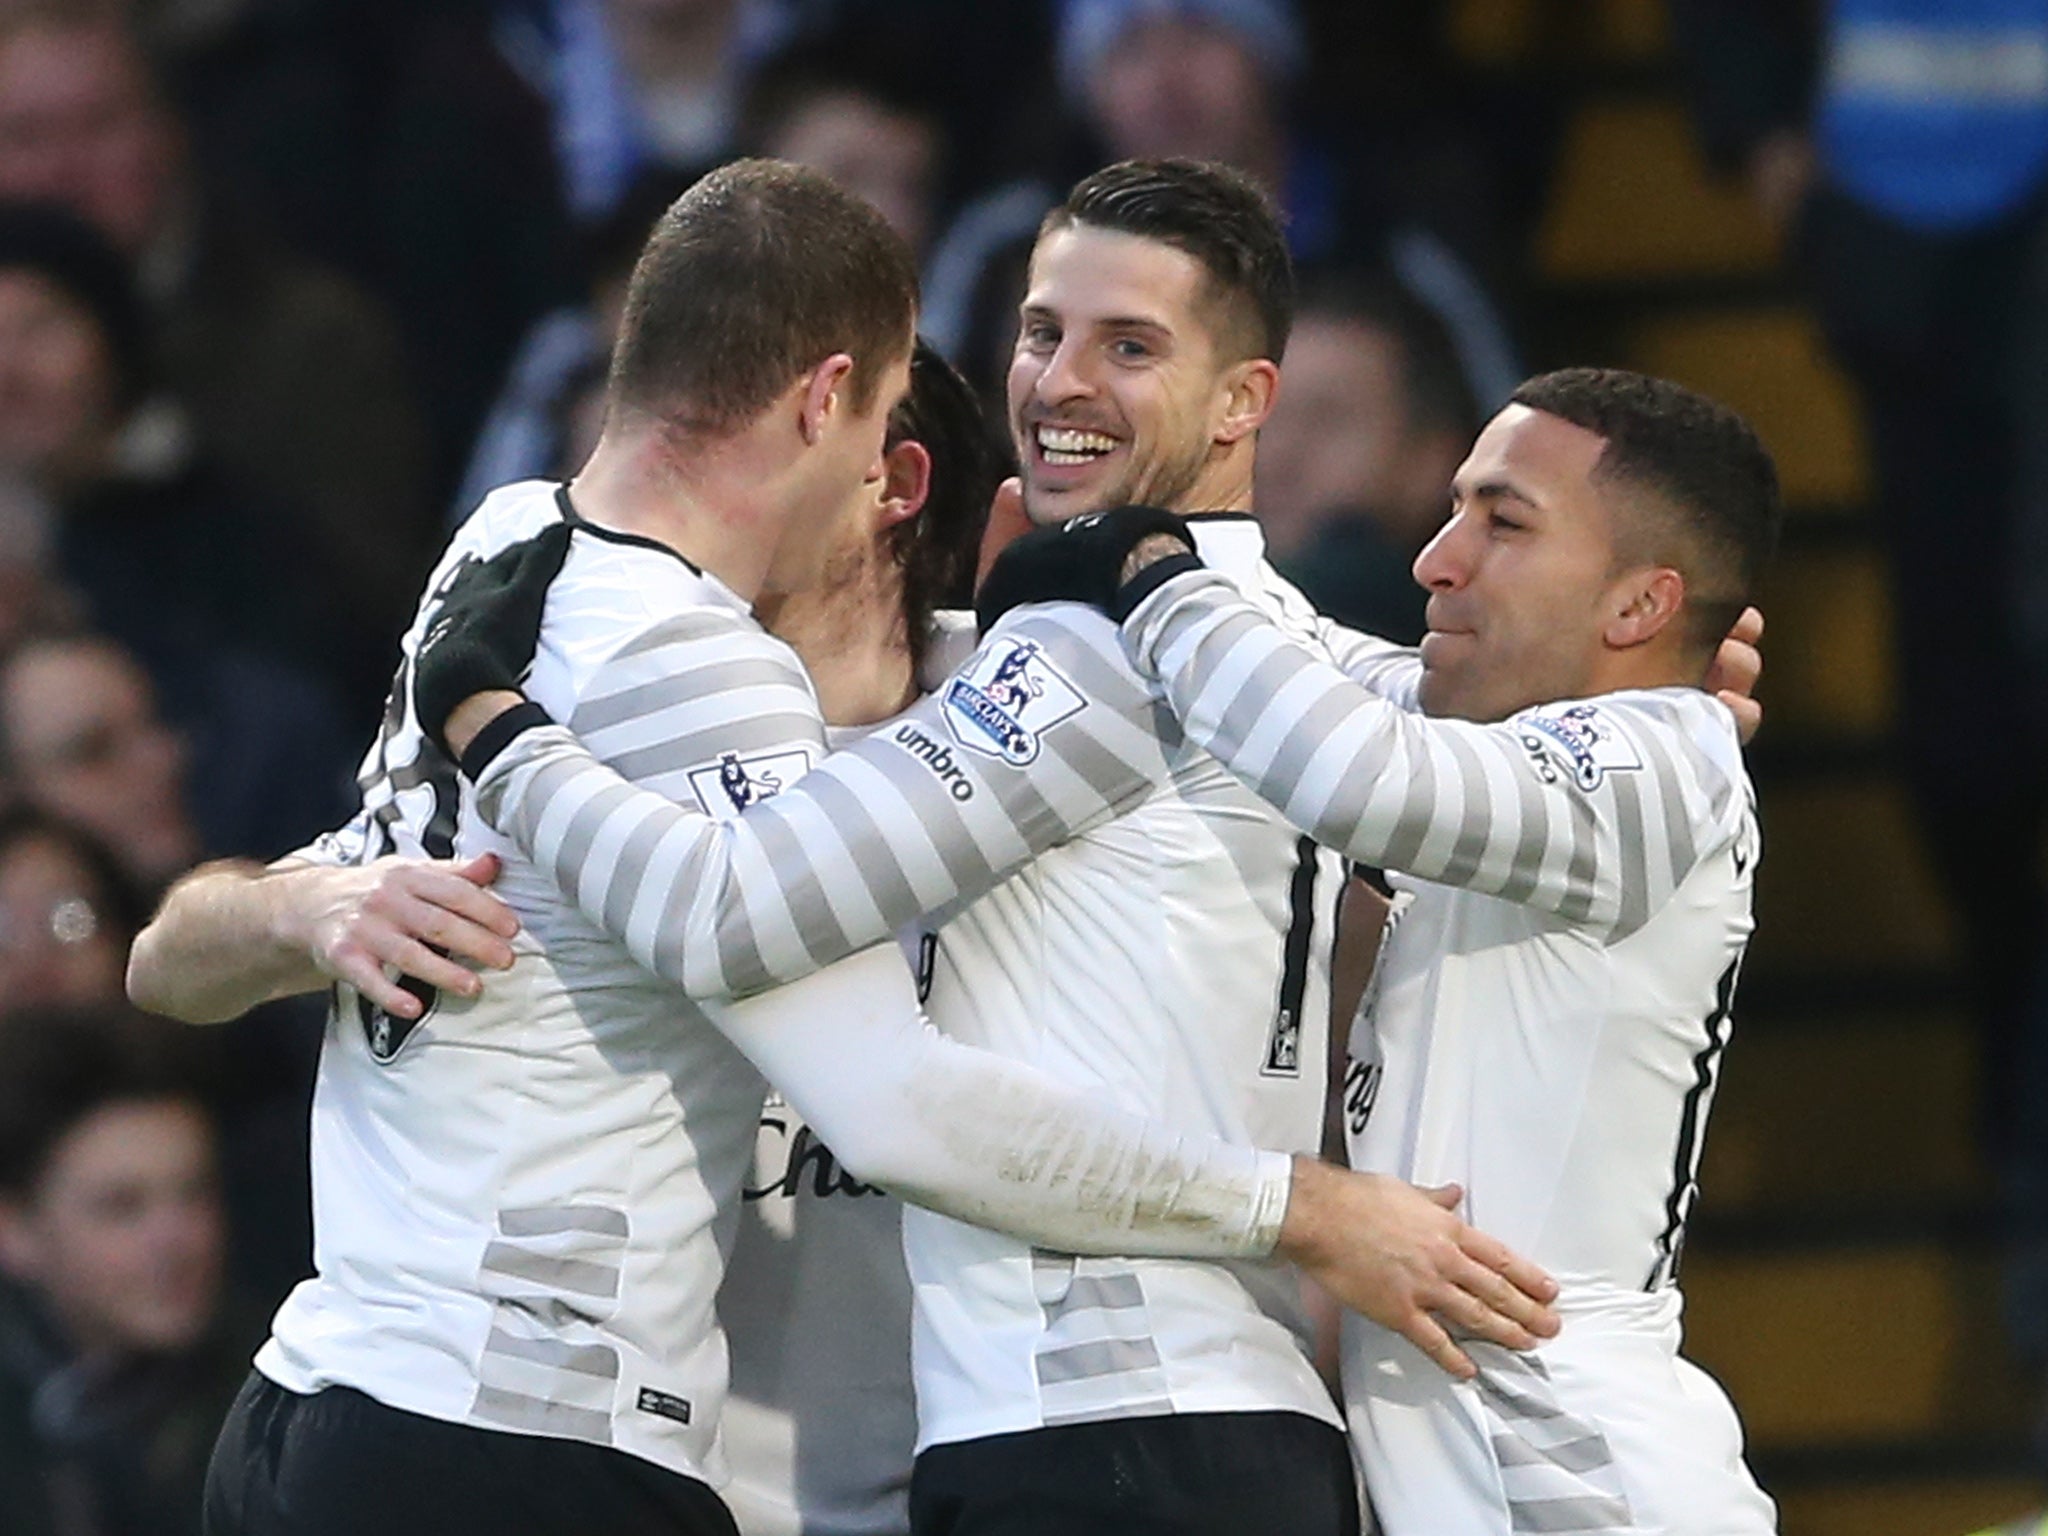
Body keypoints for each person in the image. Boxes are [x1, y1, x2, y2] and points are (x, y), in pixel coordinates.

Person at [128, 159, 1553, 1536]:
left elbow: (862, 803)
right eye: (1041, 335)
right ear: (830, 413)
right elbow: (166, 958)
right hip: (524, 1429)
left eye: (1125, 344)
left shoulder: (511, 565)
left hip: (368, 1415)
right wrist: (306, 909)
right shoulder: (717, 677)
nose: (1057, 383)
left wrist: (499, 732)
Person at [983, 365, 1783, 1532]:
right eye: (1454, 508)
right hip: (1476, 1476)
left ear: (1637, 606)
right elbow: (1310, 665)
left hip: (1587, 1480)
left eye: (1502, 522)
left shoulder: (1668, 759)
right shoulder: (1495, 747)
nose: (1436, 559)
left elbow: (1348, 769)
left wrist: (1150, 573)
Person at [0, 1002, 248, 1536]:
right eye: (122, 1207)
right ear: (13, 1229)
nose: (176, 1241)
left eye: (194, 1192)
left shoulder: (277, 1411)